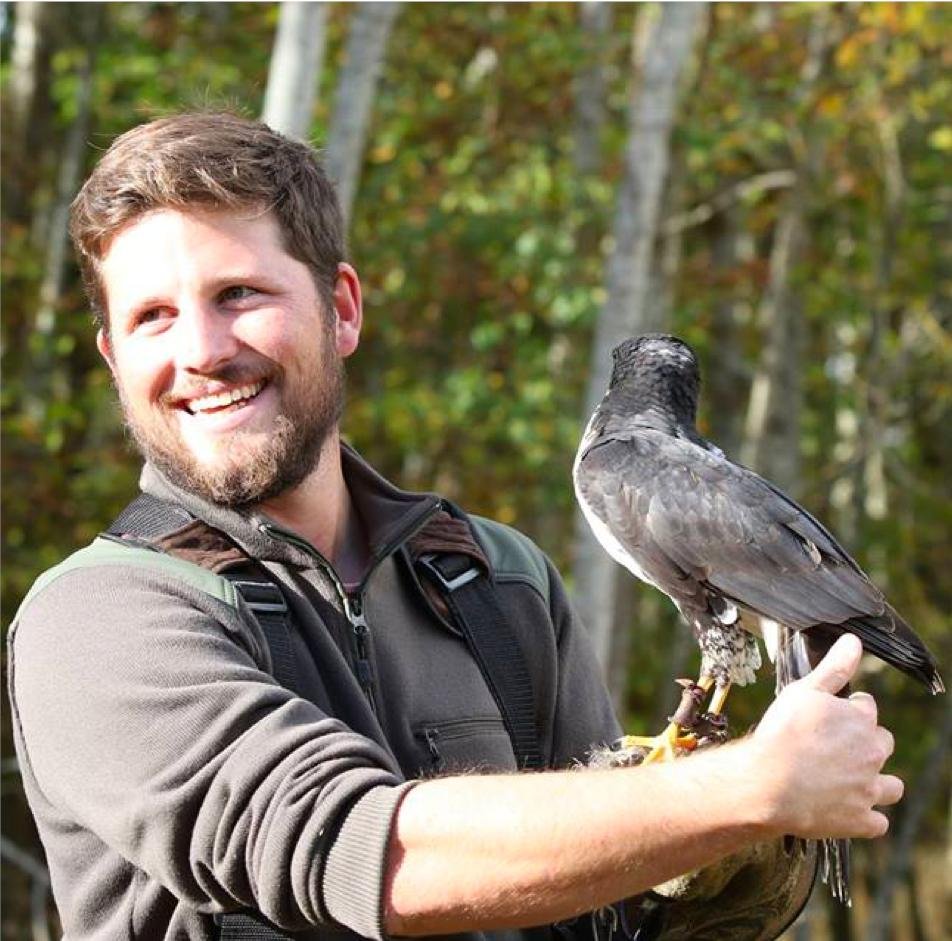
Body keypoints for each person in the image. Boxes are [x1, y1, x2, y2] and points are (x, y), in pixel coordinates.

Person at [8, 112, 902, 941]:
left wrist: (683, 877)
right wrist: (744, 787)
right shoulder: (96, 620)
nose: (200, 350)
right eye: (152, 316)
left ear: (343, 309)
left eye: (238, 293)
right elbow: (355, 848)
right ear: (114, 356)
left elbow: (594, 898)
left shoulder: (496, 577)